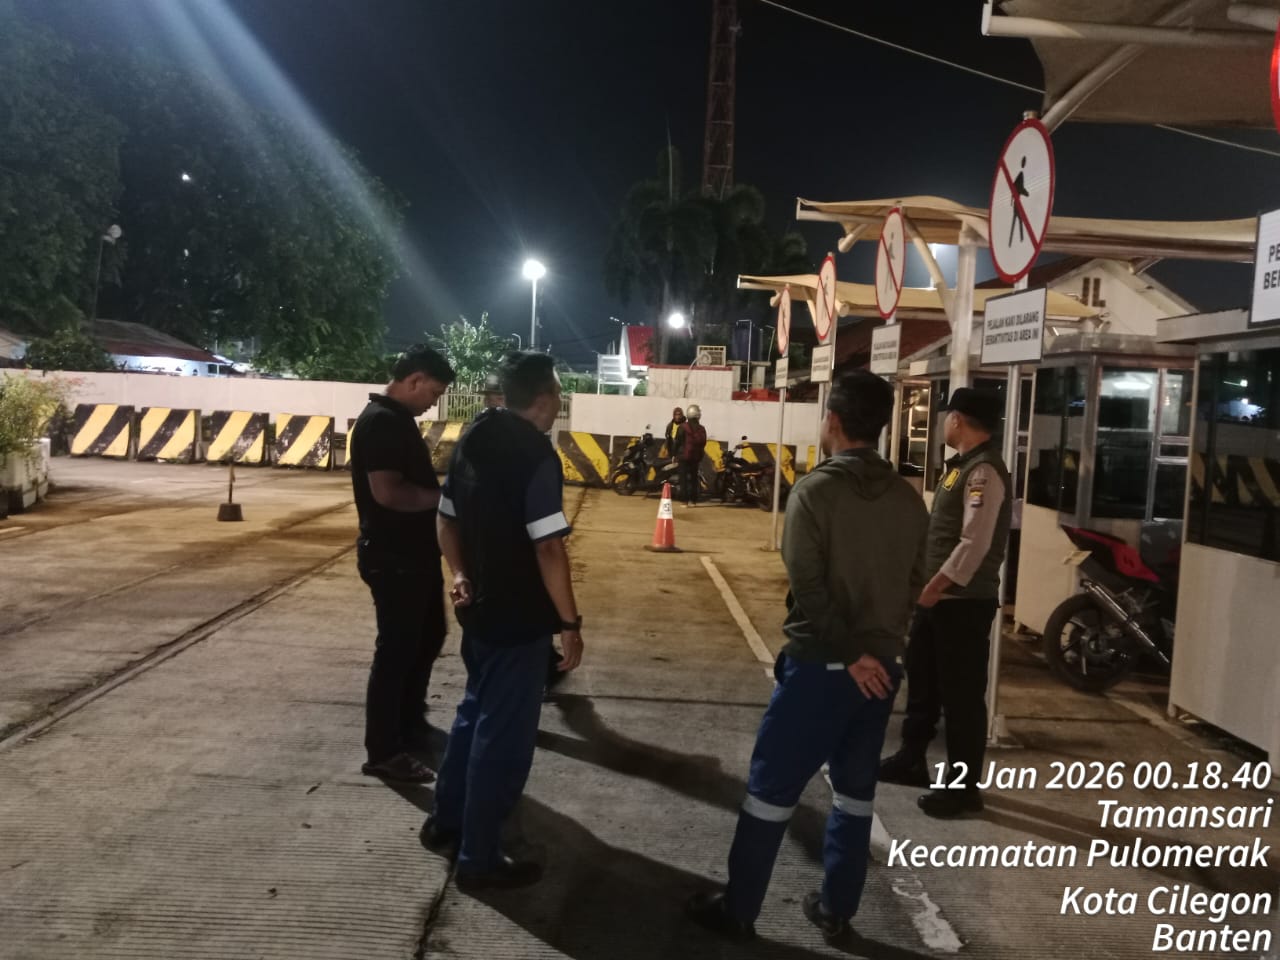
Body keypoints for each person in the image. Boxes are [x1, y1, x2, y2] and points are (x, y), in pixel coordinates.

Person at [686, 371, 929, 944]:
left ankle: (739, 909)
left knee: (771, 791)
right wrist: (877, 650)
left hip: (821, 665)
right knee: (855, 792)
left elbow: (809, 588)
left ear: (834, 421)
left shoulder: (814, 493)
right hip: (881, 671)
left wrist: (850, 653)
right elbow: (916, 583)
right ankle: (836, 909)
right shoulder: (908, 499)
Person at [422, 351, 585, 890]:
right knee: (504, 739)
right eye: (557, 391)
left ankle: (446, 822)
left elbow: (445, 519)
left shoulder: (475, 434)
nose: (559, 400)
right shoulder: (535, 455)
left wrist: (459, 573)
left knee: (473, 715)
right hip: (518, 619)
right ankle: (480, 858)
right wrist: (569, 623)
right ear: (544, 399)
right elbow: (548, 548)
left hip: (478, 610)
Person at [878, 388, 1012, 819]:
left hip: (961, 603)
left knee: (961, 698)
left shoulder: (983, 471)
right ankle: (912, 758)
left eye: (946, 416)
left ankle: (963, 788)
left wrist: (934, 587)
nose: (941, 423)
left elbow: (974, 543)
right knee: (924, 683)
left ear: (958, 419)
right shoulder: (962, 466)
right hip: (938, 599)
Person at [350, 345, 456, 784]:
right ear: (414, 380)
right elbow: (389, 493)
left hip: (413, 555)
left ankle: (410, 724)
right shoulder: (382, 423)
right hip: (393, 558)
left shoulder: (396, 420)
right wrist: (449, 498)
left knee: (428, 636)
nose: (434, 402)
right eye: (434, 392)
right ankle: (384, 752)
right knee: (396, 653)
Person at [673, 403, 707, 507]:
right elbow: (703, 443)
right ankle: (693, 501)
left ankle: (684, 501)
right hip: (695, 457)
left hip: (684, 457)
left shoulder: (682, 427)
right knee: (694, 479)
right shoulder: (701, 428)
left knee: (683, 479)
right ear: (698, 415)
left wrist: (674, 454)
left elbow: (677, 442)